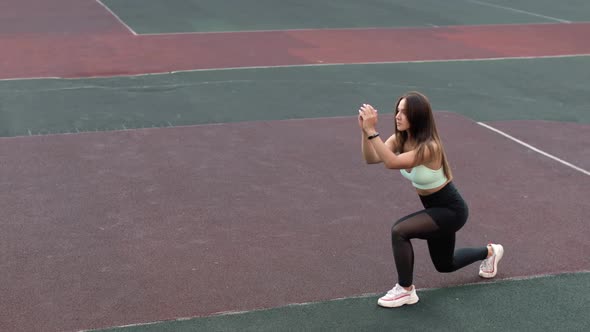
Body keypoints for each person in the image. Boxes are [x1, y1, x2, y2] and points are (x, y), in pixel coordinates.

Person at [357, 91, 504, 308]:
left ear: (418, 117)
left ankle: (405, 290)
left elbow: (391, 162)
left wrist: (372, 131)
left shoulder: (430, 147)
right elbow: (372, 159)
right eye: (397, 110)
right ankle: (491, 251)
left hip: (451, 210)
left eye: (404, 112)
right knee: (446, 264)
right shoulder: (400, 139)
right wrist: (364, 132)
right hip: (435, 209)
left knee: (400, 230)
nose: (398, 115)